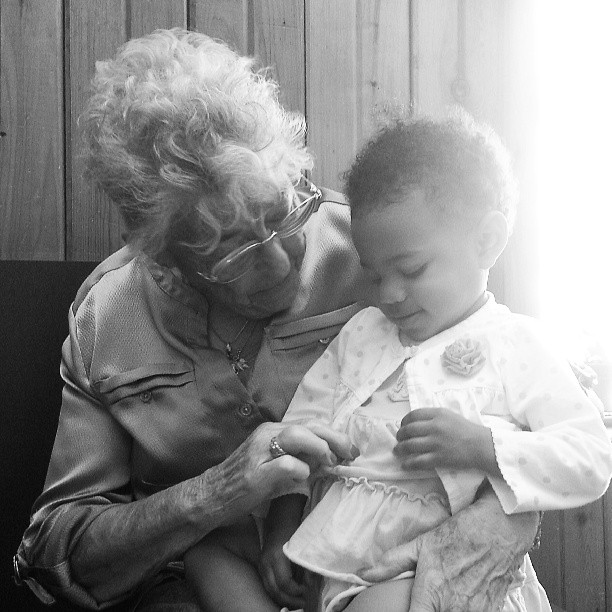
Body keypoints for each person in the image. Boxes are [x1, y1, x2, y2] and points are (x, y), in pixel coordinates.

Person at [13, 29, 541, 612]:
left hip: (397, 559)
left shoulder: (380, 251)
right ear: (164, 257)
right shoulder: (108, 318)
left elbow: (526, 391)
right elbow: (49, 555)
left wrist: (502, 522)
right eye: (233, 253)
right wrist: (212, 495)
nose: (281, 261)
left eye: (283, 214)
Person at [255, 113, 612, 612]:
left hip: (433, 572)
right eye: (374, 274)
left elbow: (591, 458)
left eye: (411, 269)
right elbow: (301, 432)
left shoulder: (516, 343)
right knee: (212, 558)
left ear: (486, 242)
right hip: (331, 556)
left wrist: (485, 447)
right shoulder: (360, 334)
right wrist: (281, 530)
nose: (389, 294)